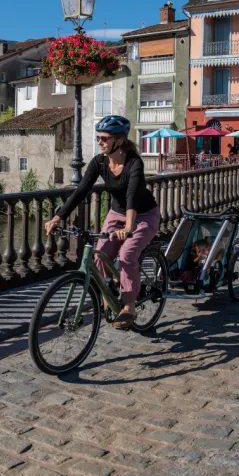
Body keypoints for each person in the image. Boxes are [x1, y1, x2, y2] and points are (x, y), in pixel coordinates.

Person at [44, 115, 160, 329]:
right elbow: (81, 191)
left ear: (119, 140)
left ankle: (129, 307)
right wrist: (58, 217)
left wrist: (129, 227)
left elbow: (132, 195)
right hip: (116, 214)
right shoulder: (99, 162)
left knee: (126, 255)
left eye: (104, 138)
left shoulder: (134, 163)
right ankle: (109, 299)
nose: (100, 142)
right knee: (99, 255)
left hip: (143, 215)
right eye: (98, 138)